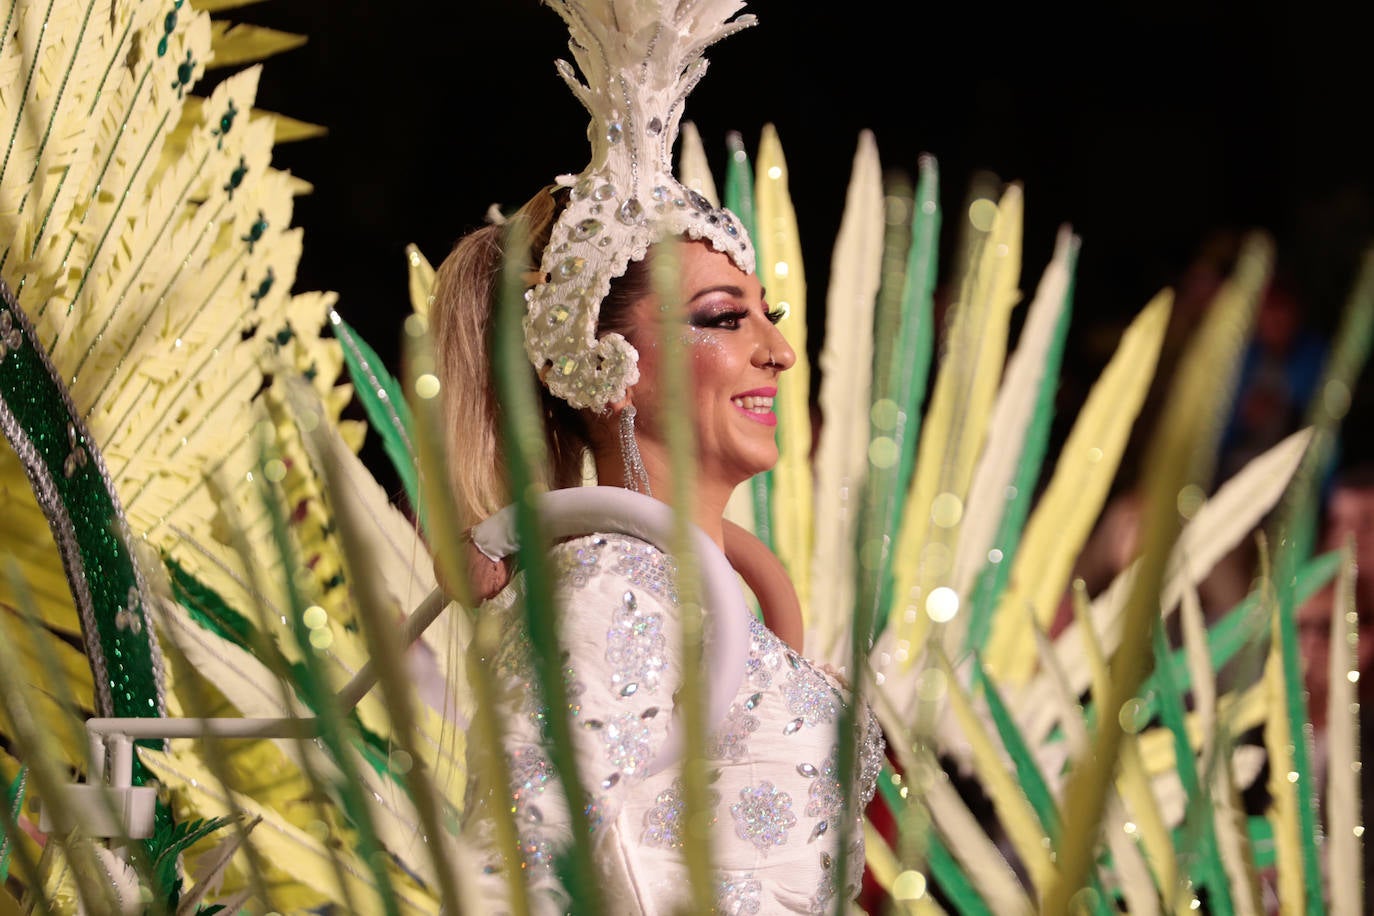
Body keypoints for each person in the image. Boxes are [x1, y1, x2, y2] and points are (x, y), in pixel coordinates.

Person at [426, 2, 884, 912]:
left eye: (769, 317)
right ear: (612, 369)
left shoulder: (681, 585)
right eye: (722, 318)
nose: (778, 352)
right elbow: (509, 878)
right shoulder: (613, 586)